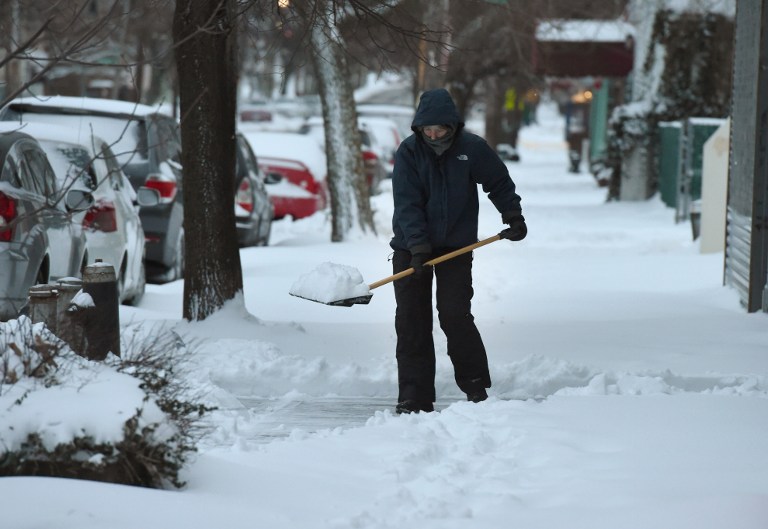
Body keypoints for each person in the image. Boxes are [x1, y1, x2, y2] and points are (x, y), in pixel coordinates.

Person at [389, 88, 527, 414]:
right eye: (427, 129)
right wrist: (419, 248)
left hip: (455, 248)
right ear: (419, 127)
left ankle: (475, 386)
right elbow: (407, 205)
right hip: (411, 249)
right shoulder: (409, 152)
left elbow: (499, 183)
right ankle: (414, 397)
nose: (433, 135)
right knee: (412, 321)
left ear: (452, 125)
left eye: (439, 128)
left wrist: (513, 216)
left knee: (454, 314)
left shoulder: (471, 149)